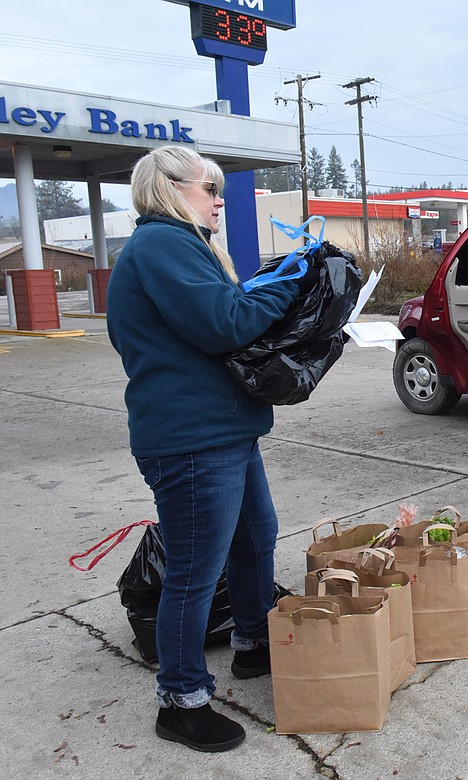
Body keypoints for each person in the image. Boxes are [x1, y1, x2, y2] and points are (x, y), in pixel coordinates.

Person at [107, 146, 310, 752]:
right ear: (169, 190)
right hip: (191, 441)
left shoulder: (184, 245)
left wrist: (271, 286)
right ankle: (182, 699)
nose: (220, 200)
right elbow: (225, 322)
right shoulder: (162, 245)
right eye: (208, 188)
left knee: (255, 539)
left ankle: (250, 643)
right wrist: (291, 280)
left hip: (226, 431)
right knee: (195, 574)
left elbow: (221, 317)